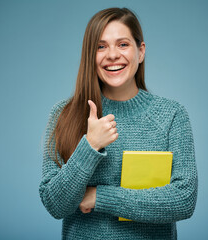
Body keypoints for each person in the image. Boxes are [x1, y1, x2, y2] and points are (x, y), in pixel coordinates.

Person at [39, 7, 197, 240]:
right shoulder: (64, 114)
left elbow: (183, 200)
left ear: (140, 52)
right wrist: (90, 145)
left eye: (122, 44)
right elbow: (55, 204)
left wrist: (99, 197)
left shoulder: (172, 115)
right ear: (90, 55)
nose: (112, 54)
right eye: (101, 46)